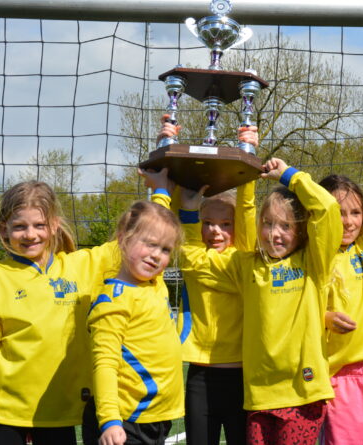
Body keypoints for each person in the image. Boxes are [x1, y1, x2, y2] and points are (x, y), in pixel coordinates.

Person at [179, 158, 342, 445]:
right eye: (267, 224)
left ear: (301, 231)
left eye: (285, 226)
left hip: (302, 394)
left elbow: (327, 209)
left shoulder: (313, 263)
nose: (273, 234)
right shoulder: (246, 266)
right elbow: (193, 261)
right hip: (258, 398)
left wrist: (289, 176)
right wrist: (189, 214)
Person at [0, 181, 121, 445]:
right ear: (4, 229)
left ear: (54, 225)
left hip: (59, 414)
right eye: (19, 226)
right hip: (5, 413)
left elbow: (142, 235)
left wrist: (166, 189)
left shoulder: (82, 266)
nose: (30, 234)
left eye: (39, 225)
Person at [149, 119, 258, 445]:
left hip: (243, 373)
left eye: (225, 224)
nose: (216, 231)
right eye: (207, 223)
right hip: (199, 373)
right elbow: (171, 213)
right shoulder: (191, 251)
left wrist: (249, 154)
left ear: (237, 227)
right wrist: (165, 151)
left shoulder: (244, 260)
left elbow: (248, 209)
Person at [87, 200, 184, 445]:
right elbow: (105, 363)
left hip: (156, 417)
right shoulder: (113, 301)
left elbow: (154, 220)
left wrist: (162, 188)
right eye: (150, 244)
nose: (156, 255)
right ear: (122, 239)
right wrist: (110, 420)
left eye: (165, 249)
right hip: (125, 423)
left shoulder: (155, 283)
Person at [317, 173, 363, 445]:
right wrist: (324, 317)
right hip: (338, 379)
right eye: (338, 213)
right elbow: (293, 308)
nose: (349, 221)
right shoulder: (315, 255)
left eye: (356, 212)